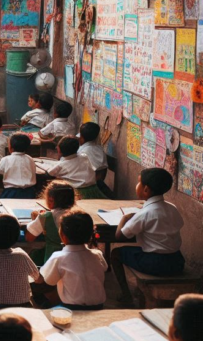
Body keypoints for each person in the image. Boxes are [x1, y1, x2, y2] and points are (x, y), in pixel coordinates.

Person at [112, 168, 185, 302]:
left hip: (155, 264)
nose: (136, 185)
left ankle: (126, 295)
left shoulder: (145, 213)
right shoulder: (172, 207)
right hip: (177, 262)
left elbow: (120, 236)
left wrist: (125, 218)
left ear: (146, 190)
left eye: (139, 182)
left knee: (116, 253)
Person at [37, 211, 107, 310]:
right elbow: (104, 268)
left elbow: (49, 281)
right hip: (99, 307)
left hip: (72, 308)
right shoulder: (98, 255)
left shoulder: (58, 257)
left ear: (63, 236)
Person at [26, 180, 76, 265]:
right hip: (75, 259)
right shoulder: (79, 215)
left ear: (51, 200)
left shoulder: (45, 217)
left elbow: (29, 238)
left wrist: (35, 220)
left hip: (52, 261)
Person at [0, 134, 36, 199]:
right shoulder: (30, 159)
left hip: (11, 192)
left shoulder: (6, 159)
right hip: (29, 192)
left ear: (11, 148)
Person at [77, 122, 111, 197]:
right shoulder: (99, 149)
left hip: (88, 185)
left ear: (81, 137)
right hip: (99, 183)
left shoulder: (82, 152)